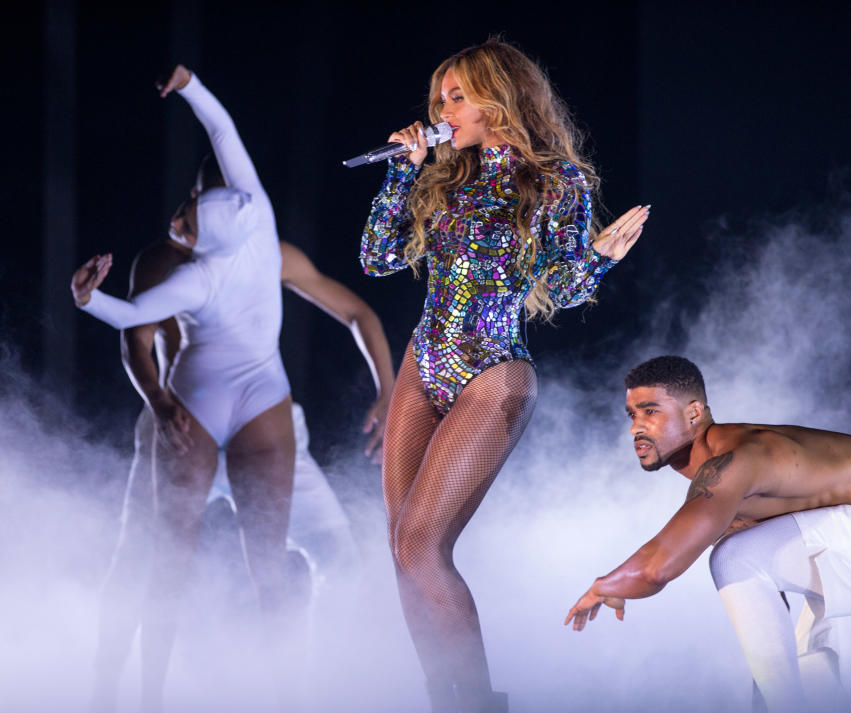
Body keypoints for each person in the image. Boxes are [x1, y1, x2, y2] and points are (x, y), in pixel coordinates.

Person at [359, 39, 648, 713]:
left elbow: (566, 285)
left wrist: (602, 257)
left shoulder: (556, 181)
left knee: (421, 543)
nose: (443, 109)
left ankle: (482, 704)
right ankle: (444, 699)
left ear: (499, 97)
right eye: (440, 97)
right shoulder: (444, 173)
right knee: (401, 548)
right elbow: (374, 259)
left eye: (458, 96)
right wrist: (402, 172)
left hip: (494, 371)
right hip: (422, 358)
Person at [69, 65, 346, 713]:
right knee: (180, 560)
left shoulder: (204, 276)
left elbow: (130, 317)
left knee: (234, 562)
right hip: (216, 407)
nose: (180, 218)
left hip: (222, 408)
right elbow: (222, 129)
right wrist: (190, 85)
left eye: (189, 220)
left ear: (208, 238)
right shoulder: (247, 216)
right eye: (189, 204)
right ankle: (130, 693)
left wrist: (86, 299)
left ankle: (274, 693)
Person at [90, 229, 393, 713]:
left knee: (338, 561)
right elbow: (136, 338)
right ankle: (106, 691)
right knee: (140, 558)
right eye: (190, 199)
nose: (185, 215)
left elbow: (359, 311)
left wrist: (387, 390)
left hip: (265, 432)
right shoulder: (163, 261)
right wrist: (161, 403)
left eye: (202, 200)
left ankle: (314, 689)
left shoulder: (270, 256)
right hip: (184, 426)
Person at [565, 355, 851, 712]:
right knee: (821, 695)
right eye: (631, 414)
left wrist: (604, 586)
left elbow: (658, 568)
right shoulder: (727, 485)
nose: (636, 426)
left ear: (694, 412)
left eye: (649, 411)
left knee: (734, 556)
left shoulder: (734, 461)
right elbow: (767, 608)